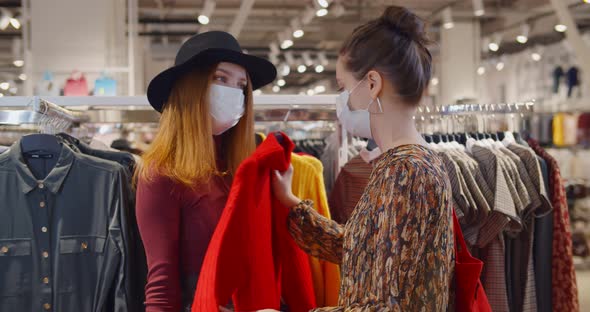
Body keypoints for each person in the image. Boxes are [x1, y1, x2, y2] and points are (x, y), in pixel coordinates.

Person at [272, 6, 454, 311]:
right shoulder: (409, 163)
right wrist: (293, 205)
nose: (341, 101)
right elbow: (364, 248)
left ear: (372, 84)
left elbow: (382, 306)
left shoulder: (405, 172)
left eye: (343, 88)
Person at [135, 31, 276, 312]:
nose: (234, 94)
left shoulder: (248, 167)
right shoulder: (163, 173)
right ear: (191, 87)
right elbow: (162, 285)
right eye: (220, 79)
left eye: (241, 85)